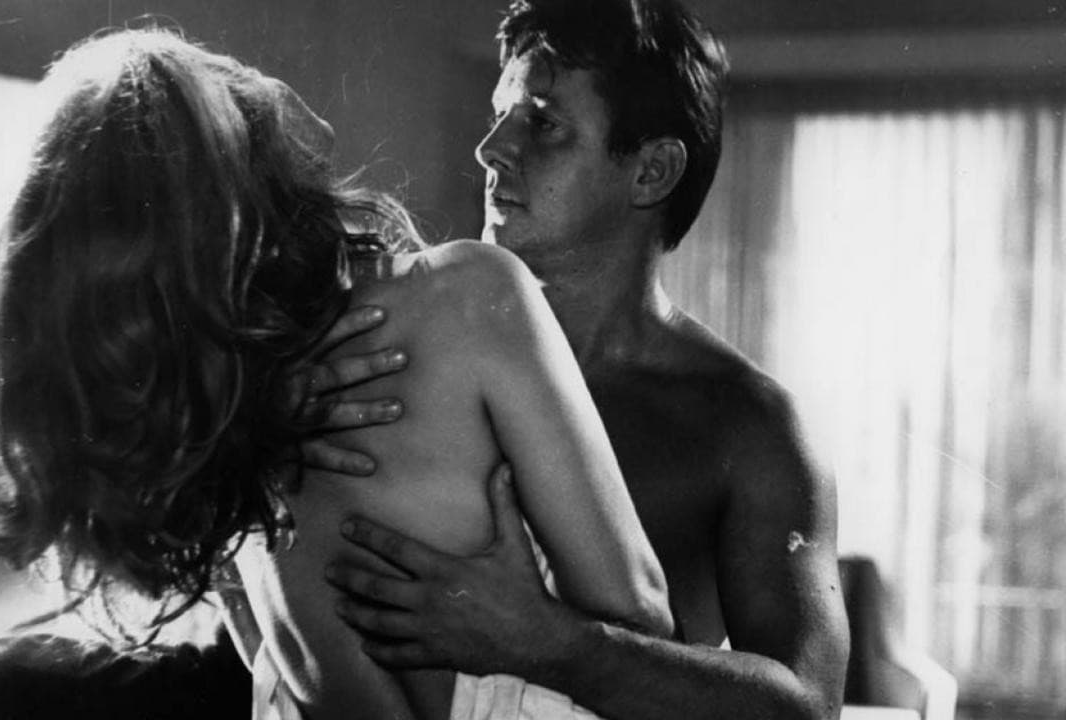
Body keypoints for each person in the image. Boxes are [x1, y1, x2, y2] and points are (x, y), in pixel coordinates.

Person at [0, 27, 671, 720]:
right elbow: (640, 613)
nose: (257, 76)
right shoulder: (470, 296)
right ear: (224, 176)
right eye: (223, 79)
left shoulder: (235, 471)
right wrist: (538, 632)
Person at [324, 1, 852, 718]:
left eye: (542, 124)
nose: (490, 149)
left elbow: (807, 706)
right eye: (499, 115)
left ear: (651, 172)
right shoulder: (393, 347)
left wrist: (553, 645)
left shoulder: (746, 424)